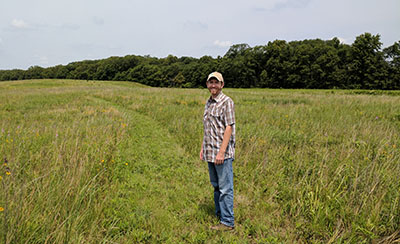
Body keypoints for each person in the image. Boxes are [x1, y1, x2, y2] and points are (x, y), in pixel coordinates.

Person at [200, 71, 235, 231]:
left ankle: (227, 222)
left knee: (225, 188)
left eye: (216, 82)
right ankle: (219, 215)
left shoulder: (226, 102)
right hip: (210, 151)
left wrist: (222, 152)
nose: (213, 85)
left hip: (222, 154)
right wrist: (203, 148)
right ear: (207, 84)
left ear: (222, 85)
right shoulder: (209, 102)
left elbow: (229, 127)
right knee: (216, 186)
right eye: (210, 82)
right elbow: (208, 128)